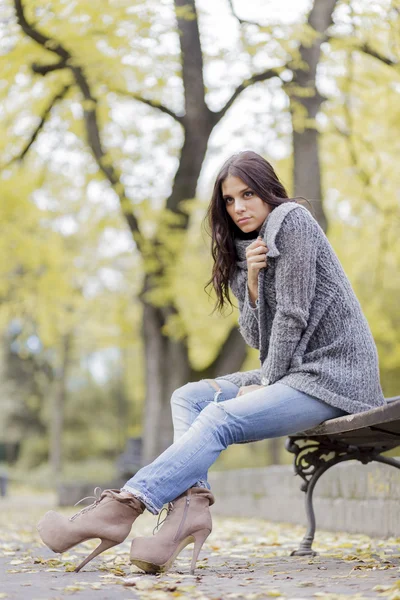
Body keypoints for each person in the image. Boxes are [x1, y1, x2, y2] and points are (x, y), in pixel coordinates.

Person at [37, 150, 386, 575]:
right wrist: (254, 284)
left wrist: (269, 381)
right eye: (229, 200)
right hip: (297, 370)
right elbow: (259, 337)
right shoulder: (246, 253)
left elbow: (293, 316)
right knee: (188, 397)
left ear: (269, 192)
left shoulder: (292, 222)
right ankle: (190, 512)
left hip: (337, 378)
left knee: (219, 417)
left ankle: (122, 508)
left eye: (248, 194)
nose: (239, 207)